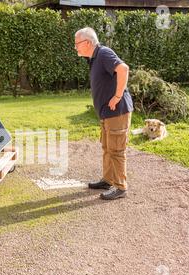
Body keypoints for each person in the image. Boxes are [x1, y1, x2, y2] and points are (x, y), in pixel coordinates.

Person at [74, 27, 134, 200]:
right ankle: (108, 180)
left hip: (117, 112)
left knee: (116, 150)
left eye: (77, 44)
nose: (75, 48)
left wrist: (117, 96)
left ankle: (120, 187)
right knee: (108, 148)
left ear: (87, 42)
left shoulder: (104, 53)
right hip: (107, 113)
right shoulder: (94, 57)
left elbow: (123, 69)